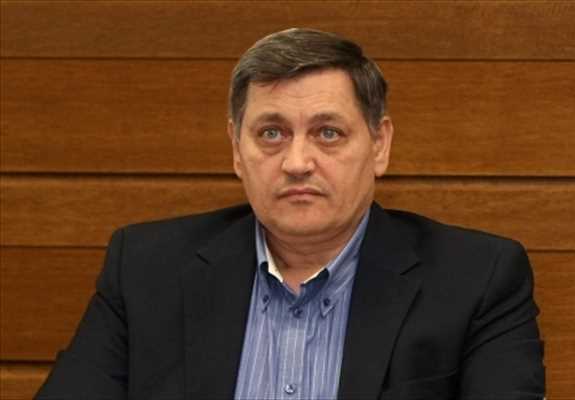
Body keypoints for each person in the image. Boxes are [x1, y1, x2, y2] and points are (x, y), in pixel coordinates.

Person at [36, 28, 545, 399]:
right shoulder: (147, 269)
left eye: (328, 133)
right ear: (237, 150)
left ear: (379, 145)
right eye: (272, 133)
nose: (297, 162)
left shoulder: (477, 280)